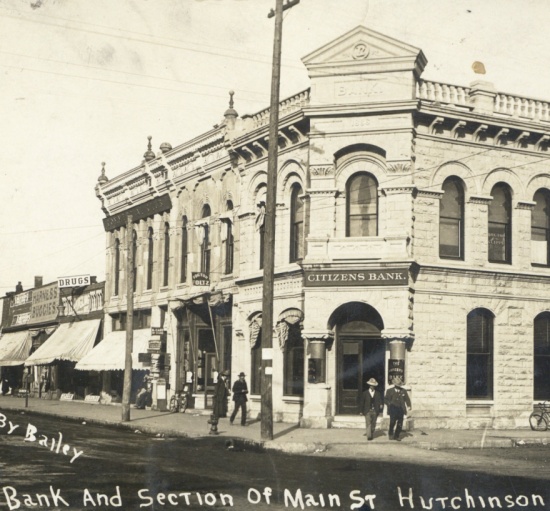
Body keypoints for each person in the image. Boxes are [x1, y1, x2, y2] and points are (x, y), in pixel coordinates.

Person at [384, 376, 412, 441]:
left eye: (399, 385)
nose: (398, 386)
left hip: (400, 409)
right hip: (393, 409)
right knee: (392, 422)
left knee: (400, 423)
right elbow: (385, 399)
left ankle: (397, 436)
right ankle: (390, 433)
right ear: (394, 385)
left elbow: (407, 399)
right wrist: (389, 403)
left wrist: (409, 406)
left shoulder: (403, 391)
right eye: (397, 385)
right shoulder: (389, 391)